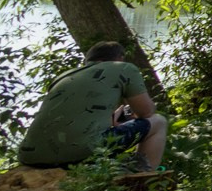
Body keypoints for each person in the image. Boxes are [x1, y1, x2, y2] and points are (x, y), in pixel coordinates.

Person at [17, 42, 167, 173]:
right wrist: (131, 111)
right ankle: (143, 176)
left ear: (88, 59)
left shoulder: (64, 76)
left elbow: (89, 116)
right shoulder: (124, 68)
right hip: (82, 151)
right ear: (120, 58)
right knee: (159, 121)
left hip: (30, 156)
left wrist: (124, 112)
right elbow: (146, 112)